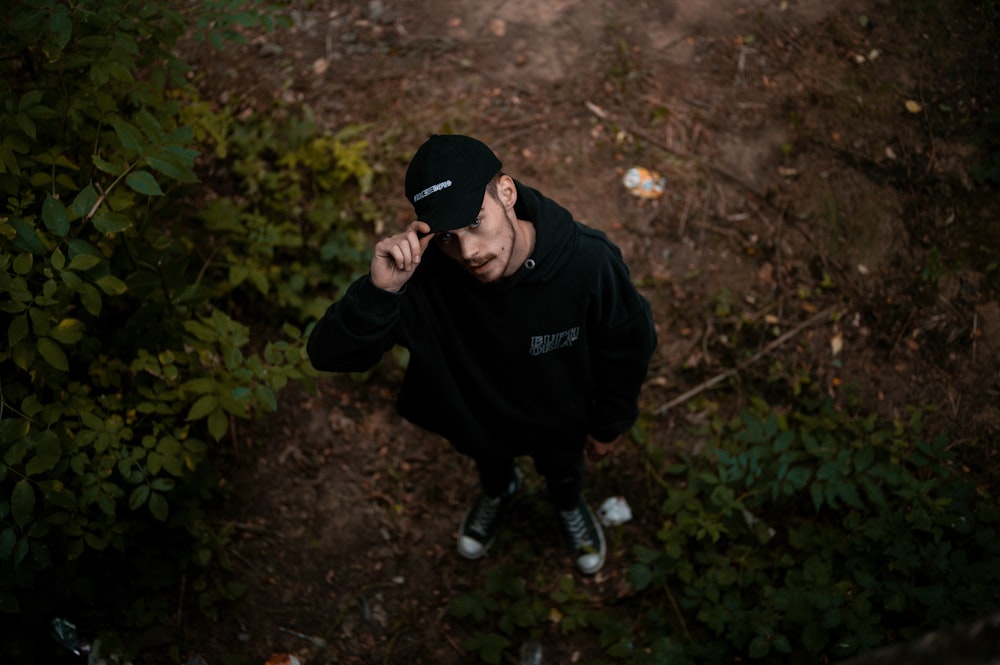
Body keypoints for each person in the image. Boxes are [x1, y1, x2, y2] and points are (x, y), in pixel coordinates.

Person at [307, 134, 657, 574]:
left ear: (506, 193)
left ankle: (568, 503)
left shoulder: (588, 263)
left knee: (563, 473)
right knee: (491, 468)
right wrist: (379, 293)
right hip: (479, 423)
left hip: (562, 420)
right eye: (449, 236)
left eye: (475, 221)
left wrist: (610, 423)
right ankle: (499, 490)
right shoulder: (424, 279)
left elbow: (627, 346)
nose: (468, 252)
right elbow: (328, 355)